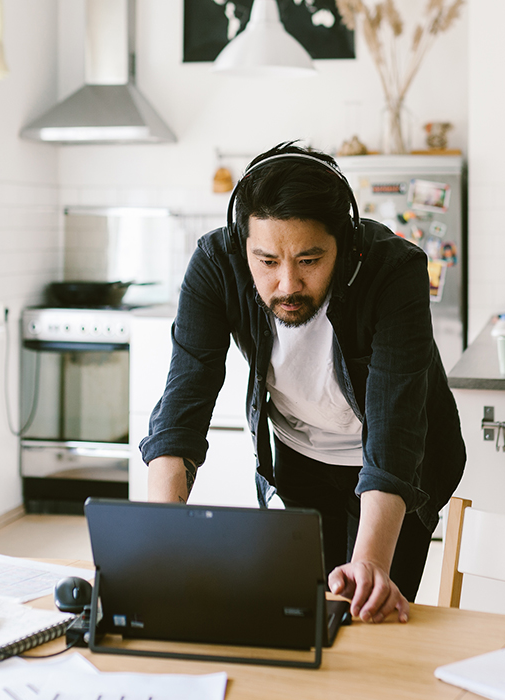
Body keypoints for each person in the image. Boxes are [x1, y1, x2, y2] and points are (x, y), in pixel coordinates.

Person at [138, 142, 465, 625]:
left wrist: (371, 564)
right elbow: (184, 402)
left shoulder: (393, 270)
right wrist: (159, 538)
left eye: (310, 260)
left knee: (366, 614)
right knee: (304, 613)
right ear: (241, 244)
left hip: (400, 466)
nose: (287, 284)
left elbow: (396, 428)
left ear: (347, 245)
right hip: (301, 454)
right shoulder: (215, 264)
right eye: (267, 262)